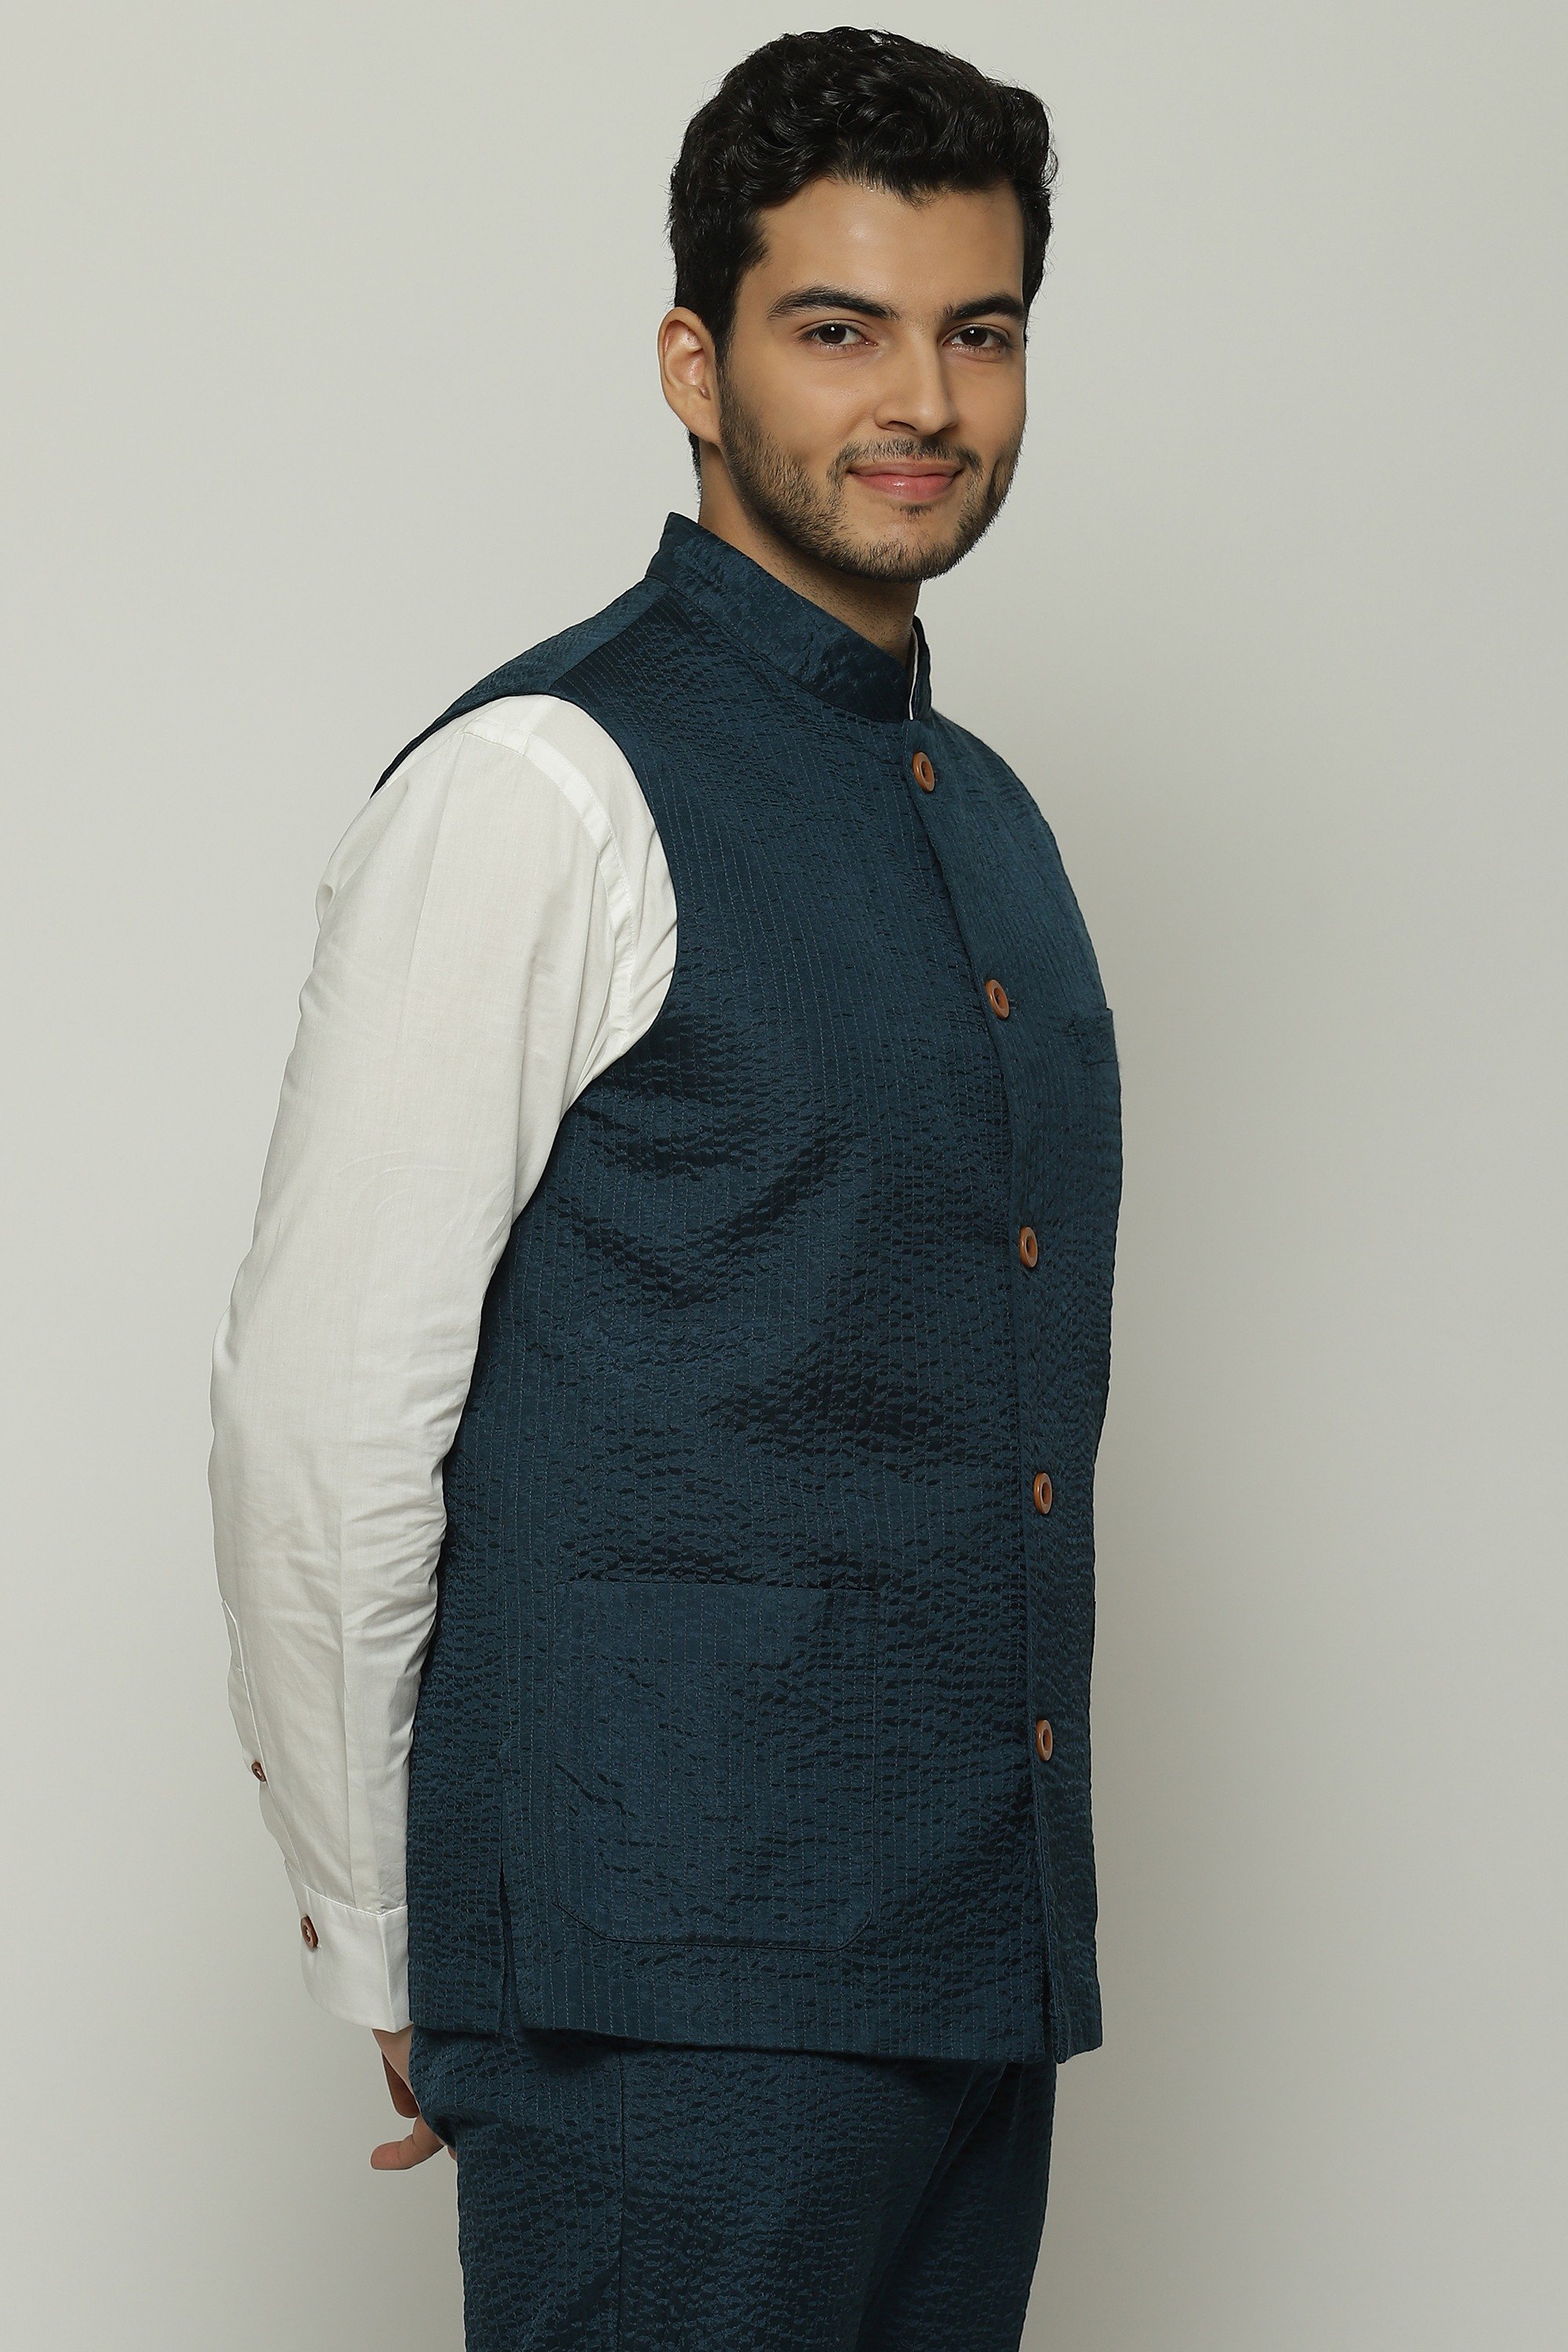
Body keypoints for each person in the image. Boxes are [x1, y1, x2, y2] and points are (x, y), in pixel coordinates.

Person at [210, 25, 1122, 2348]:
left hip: (970, 1962)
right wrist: (390, 1934)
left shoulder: (993, 819)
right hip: (660, 1988)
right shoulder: (540, 783)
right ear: (696, 367)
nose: (922, 399)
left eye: (979, 330)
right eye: (841, 329)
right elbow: (324, 1412)